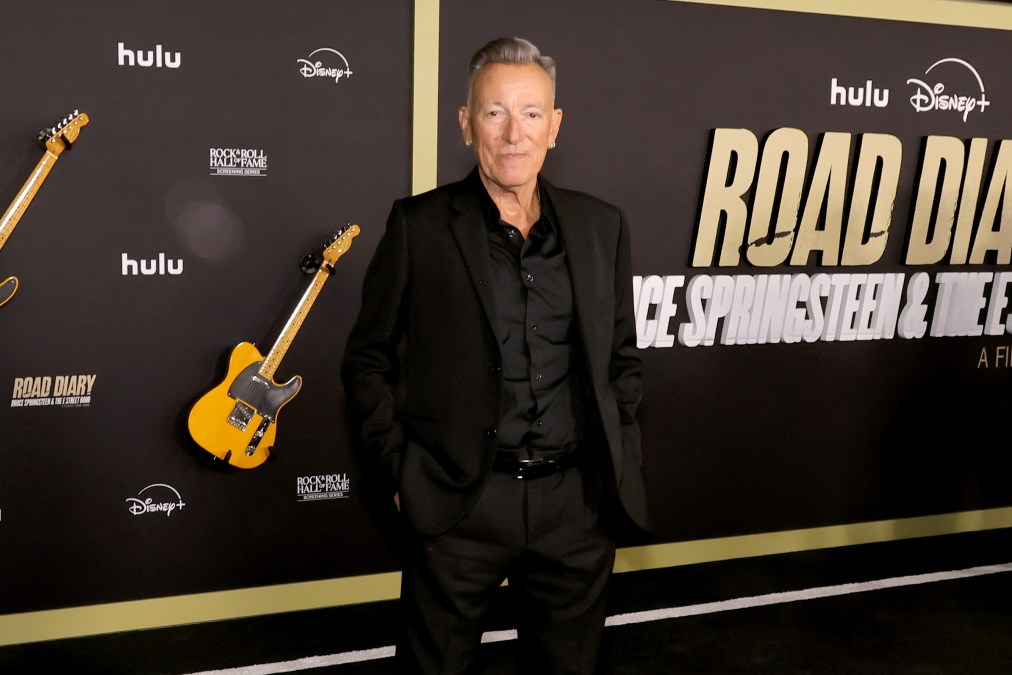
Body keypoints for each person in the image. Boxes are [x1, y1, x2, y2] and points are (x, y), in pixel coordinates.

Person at [341, 36, 650, 675]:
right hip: (459, 506)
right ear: (465, 123)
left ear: (555, 126)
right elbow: (368, 359)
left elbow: (622, 358)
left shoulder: (601, 227)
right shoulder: (419, 227)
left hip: (575, 507)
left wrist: (610, 464)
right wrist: (401, 474)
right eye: (494, 112)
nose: (514, 133)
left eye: (532, 113)